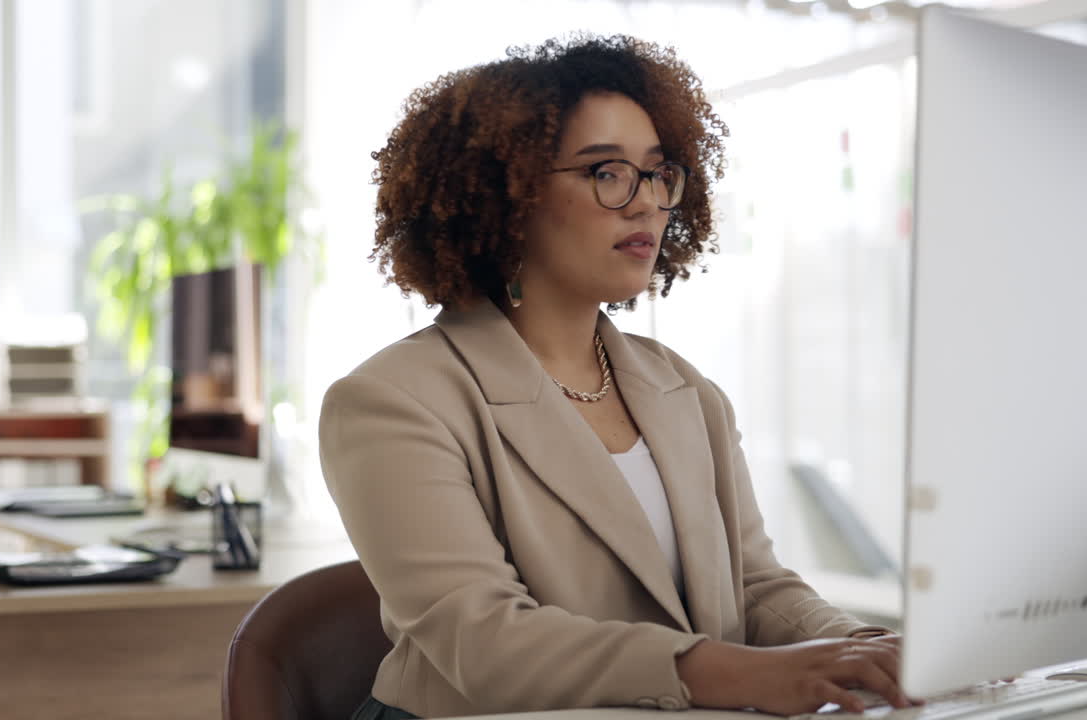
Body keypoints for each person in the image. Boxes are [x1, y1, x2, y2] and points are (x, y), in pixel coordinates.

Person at [319, 34, 909, 720]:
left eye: (658, 173)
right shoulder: (391, 401)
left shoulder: (687, 391)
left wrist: (861, 649)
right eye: (606, 171)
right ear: (503, 194)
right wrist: (734, 673)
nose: (647, 204)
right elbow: (483, 644)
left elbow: (755, 587)